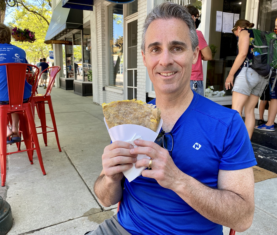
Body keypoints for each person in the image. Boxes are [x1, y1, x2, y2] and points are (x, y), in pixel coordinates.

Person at [90, 3, 256, 235]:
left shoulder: (227, 124)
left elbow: (242, 218)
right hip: (122, 229)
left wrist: (178, 180)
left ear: (194, 54)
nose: (165, 60)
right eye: (155, 49)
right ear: (145, 57)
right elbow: (105, 197)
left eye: (176, 48)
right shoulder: (130, 117)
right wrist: (110, 178)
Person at [0, 23, 32, 144]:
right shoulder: (20, 51)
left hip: (1, 99)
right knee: (13, 96)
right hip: (23, 97)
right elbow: (23, 68)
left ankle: (6, 129)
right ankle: (15, 129)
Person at [225, 20, 267, 139]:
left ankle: (234, 143)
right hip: (263, 75)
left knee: (236, 110)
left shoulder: (244, 32)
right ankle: (246, 143)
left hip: (249, 72)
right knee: (249, 110)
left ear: (238, 28)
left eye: (235, 33)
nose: (236, 36)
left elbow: (243, 54)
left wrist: (230, 74)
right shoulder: (259, 34)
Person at [186, 5, 212, 96]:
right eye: (197, 17)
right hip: (194, 79)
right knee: (196, 107)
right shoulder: (197, 34)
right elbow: (208, 56)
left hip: (181, 77)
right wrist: (201, 55)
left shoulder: (179, 34)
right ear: (193, 17)